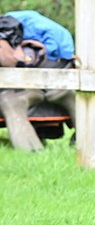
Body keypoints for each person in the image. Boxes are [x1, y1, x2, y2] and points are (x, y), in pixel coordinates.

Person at [0, 10, 77, 152]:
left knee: (11, 100)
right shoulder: (17, 24)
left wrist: (49, 52)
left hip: (55, 59)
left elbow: (12, 57)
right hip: (61, 61)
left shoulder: (13, 26)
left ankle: (31, 150)